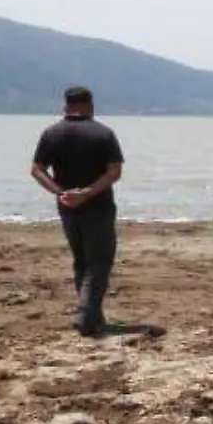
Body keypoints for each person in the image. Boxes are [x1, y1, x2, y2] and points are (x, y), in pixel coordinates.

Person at [30, 86, 125, 336]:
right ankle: (86, 316)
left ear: (65, 105)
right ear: (90, 105)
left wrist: (60, 192)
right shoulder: (103, 134)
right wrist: (88, 192)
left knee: (81, 260)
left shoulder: (51, 133)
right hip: (98, 205)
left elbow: (37, 170)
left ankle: (93, 316)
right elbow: (114, 172)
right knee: (100, 261)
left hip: (68, 206)